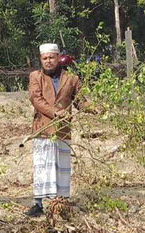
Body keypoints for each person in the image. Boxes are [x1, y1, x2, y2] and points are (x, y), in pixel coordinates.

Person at [26, 43, 87, 217]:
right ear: (41, 59)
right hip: (43, 129)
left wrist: (97, 108)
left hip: (62, 131)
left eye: (51, 58)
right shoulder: (35, 77)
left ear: (58, 57)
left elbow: (80, 101)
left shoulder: (72, 79)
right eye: (45, 58)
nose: (48, 61)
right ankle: (38, 204)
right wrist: (55, 113)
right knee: (42, 167)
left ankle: (60, 205)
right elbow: (36, 99)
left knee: (62, 169)